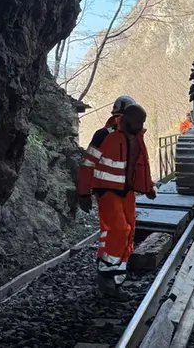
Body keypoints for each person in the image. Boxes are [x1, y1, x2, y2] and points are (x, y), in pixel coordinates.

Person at [78, 96, 156, 300]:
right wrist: (83, 193)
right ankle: (106, 277)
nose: (141, 125)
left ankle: (115, 281)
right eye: (138, 121)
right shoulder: (104, 136)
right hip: (107, 191)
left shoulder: (136, 137)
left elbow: (141, 166)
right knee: (120, 230)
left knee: (127, 233)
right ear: (124, 117)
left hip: (126, 192)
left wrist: (148, 187)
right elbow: (88, 165)